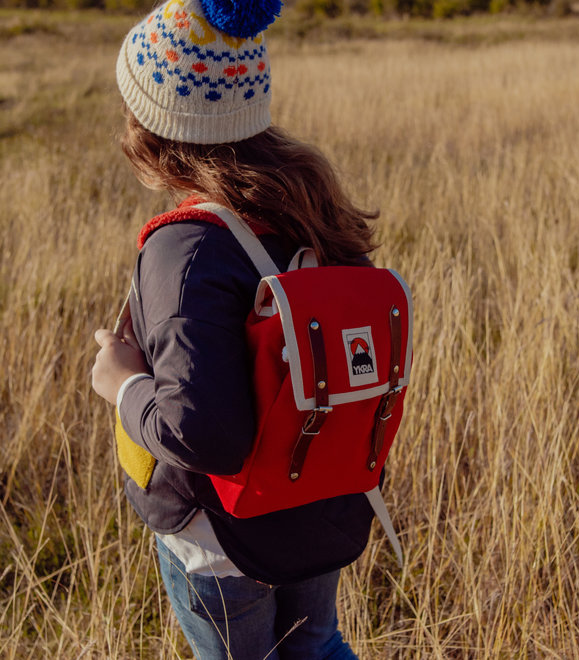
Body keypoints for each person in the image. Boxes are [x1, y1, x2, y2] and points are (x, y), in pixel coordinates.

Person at [91, 0, 382, 658]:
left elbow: (204, 434)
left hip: (221, 537)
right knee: (318, 645)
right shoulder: (308, 204)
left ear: (155, 123)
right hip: (315, 492)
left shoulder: (185, 248)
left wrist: (121, 382)